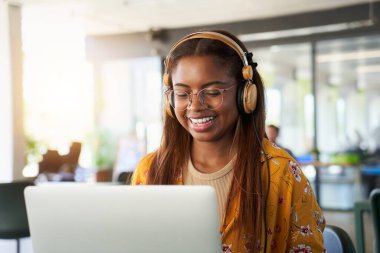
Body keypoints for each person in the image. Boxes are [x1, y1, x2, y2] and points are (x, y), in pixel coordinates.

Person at [131, 30, 325, 252]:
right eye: (183, 94)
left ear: (246, 95)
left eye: (213, 92)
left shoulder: (281, 172)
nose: (195, 106)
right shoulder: (150, 171)